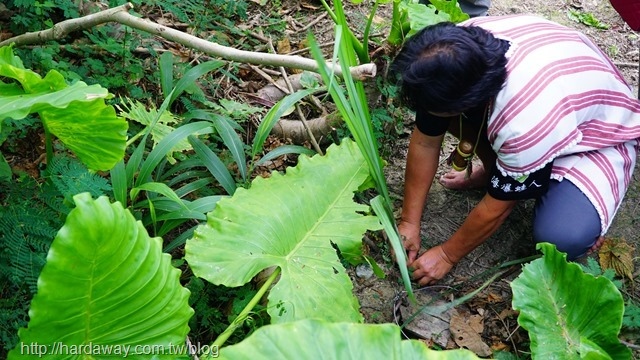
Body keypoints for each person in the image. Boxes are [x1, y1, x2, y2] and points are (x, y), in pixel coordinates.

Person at [391, 15, 640, 286]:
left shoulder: (521, 122)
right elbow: (425, 140)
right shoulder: (451, 50)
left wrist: (447, 255)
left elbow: (498, 207)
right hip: (556, 102)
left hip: (596, 136)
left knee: (561, 236)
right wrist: (409, 223)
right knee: (445, 114)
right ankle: (502, 171)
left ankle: (570, 203)